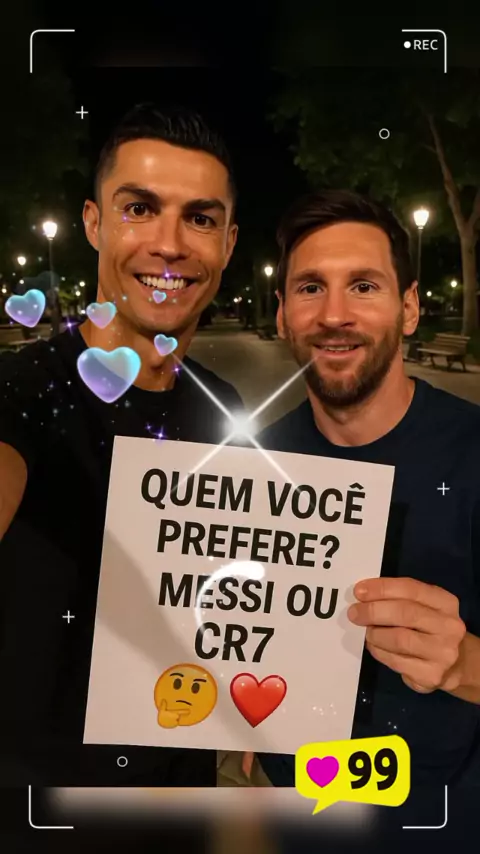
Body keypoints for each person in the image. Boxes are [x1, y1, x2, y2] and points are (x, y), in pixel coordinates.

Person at [0, 103, 241, 786]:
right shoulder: (22, 391)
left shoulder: (226, 406)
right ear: (93, 223)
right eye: (139, 209)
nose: (170, 244)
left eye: (200, 218)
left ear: (228, 244)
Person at [256, 190, 480, 790]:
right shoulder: (250, 467)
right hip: (296, 797)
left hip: (441, 809)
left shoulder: (472, 451)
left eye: (363, 285)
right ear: (282, 314)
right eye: (310, 287)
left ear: (408, 308)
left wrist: (463, 664)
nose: (334, 315)